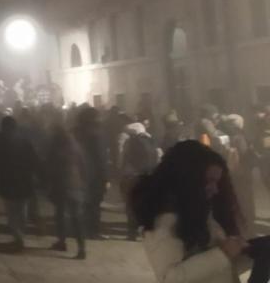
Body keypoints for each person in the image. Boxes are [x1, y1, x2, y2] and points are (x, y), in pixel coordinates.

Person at [131, 140, 251, 283]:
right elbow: (170, 278)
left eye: (217, 182)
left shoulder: (198, 211)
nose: (215, 189)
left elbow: (216, 270)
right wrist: (223, 253)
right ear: (188, 179)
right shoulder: (166, 220)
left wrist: (247, 253)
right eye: (209, 181)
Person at [0, 116, 38, 250]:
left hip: (8, 182)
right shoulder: (24, 141)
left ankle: (18, 236)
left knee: (12, 212)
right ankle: (20, 235)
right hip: (22, 181)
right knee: (20, 211)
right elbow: (34, 159)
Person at [46, 124, 87, 259]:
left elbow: (51, 168)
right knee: (77, 218)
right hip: (76, 186)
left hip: (61, 187)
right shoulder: (77, 147)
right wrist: (83, 183)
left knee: (60, 215)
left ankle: (62, 241)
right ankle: (81, 248)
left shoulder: (56, 148)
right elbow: (83, 166)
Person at [120, 122, 159, 241]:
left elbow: (123, 159)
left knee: (131, 205)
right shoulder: (151, 141)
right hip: (148, 176)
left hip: (132, 176)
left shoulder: (130, 142)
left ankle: (131, 234)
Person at [76, 106, 108, 239]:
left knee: (84, 203)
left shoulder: (75, 132)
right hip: (94, 176)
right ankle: (94, 231)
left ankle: (82, 229)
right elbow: (100, 158)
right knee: (94, 204)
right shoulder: (96, 135)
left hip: (79, 173)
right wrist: (105, 177)